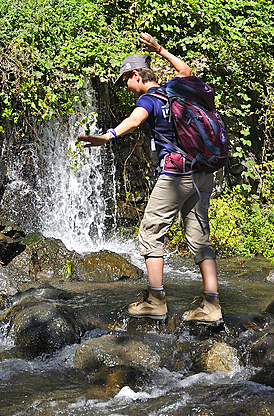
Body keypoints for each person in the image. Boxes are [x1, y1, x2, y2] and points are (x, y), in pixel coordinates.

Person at [77, 32, 222, 324]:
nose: (126, 88)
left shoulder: (150, 98)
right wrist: (160, 49)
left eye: (125, 81)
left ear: (136, 76)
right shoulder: (177, 88)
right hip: (202, 172)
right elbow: (186, 70)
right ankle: (212, 305)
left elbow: (134, 119)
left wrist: (108, 136)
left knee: (150, 232)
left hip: (176, 174)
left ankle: (155, 301)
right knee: (199, 238)